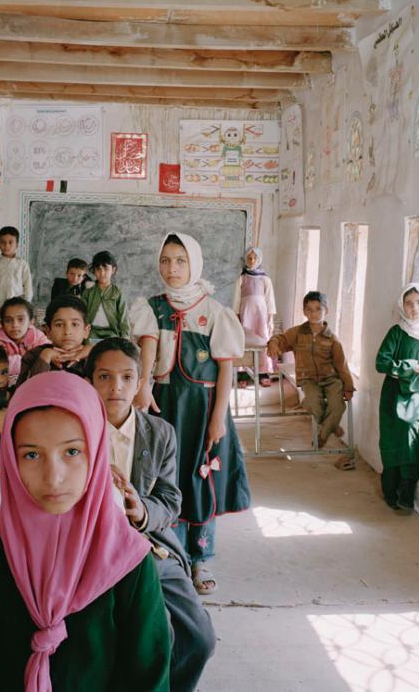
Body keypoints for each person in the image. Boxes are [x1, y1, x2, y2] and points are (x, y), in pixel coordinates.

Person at [0, 372, 171, 691]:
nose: (53, 477)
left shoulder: (127, 561)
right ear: (10, 459)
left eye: (72, 452)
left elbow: (147, 678)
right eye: (31, 455)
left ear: (97, 453)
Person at [86, 338, 216, 692]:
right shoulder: (75, 431)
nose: (117, 387)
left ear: (141, 384)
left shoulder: (160, 433)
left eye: (128, 378)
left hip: (148, 545)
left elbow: (170, 498)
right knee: (131, 642)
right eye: (104, 377)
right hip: (88, 547)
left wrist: (140, 509)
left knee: (199, 639)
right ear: (89, 382)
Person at [131, 232, 250, 595]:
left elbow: (226, 368)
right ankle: (173, 554)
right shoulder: (152, 307)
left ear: (194, 263)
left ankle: (201, 558)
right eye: (166, 260)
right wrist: (144, 386)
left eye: (180, 261)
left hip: (202, 408)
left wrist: (219, 417)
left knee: (202, 479)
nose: (172, 268)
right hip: (165, 406)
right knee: (166, 479)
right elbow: (148, 354)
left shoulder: (214, 311)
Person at [375, 283, 419, 511]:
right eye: (408, 303)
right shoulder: (397, 332)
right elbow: (381, 363)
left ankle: (407, 487)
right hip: (393, 391)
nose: (414, 307)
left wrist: (410, 378)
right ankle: (390, 486)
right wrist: (413, 367)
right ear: (402, 306)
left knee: (407, 427)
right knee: (389, 435)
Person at [268, 291, 355, 449]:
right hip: (308, 380)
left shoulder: (332, 339)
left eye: (318, 309)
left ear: (326, 310)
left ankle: (322, 435)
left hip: (331, 379)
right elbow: (282, 339)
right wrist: (273, 342)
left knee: (338, 406)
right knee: (312, 402)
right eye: (309, 309)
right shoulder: (297, 333)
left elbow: (342, 365)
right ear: (304, 311)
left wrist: (348, 386)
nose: (314, 314)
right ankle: (331, 427)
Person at [17, 295, 91, 385]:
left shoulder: (93, 356)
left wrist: (94, 353)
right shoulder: (33, 355)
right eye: (59, 325)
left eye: (75, 324)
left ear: (86, 331)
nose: (67, 332)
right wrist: (44, 358)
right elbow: (23, 391)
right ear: (48, 331)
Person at [233, 246, 277, 387]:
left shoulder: (265, 279)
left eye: (254, 258)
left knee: (263, 341)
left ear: (259, 259)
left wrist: (270, 317)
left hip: (261, 315)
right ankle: (242, 374)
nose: (252, 261)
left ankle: (263, 373)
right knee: (244, 342)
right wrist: (236, 316)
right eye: (249, 258)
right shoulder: (242, 278)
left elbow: (270, 300)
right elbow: (236, 300)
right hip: (246, 314)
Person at [0, 297, 50, 383]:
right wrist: (30, 362)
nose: (15, 325)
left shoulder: (38, 337)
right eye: (8, 320)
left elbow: (48, 359)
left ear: (31, 322)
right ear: (2, 324)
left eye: (20, 319)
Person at [83, 250, 130, 341]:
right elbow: (82, 316)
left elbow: (123, 319)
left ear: (113, 270)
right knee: (89, 349)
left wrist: (125, 339)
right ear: (94, 270)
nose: (102, 273)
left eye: (106, 269)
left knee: (112, 350)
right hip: (92, 332)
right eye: (98, 269)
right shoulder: (88, 293)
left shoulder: (118, 293)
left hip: (111, 333)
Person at [0, 226, 32, 308]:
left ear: (17, 244)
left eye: (10, 242)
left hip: (18, 306)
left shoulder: (23, 264)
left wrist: (25, 305)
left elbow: (28, 288)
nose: (6, 245)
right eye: (3, 242)